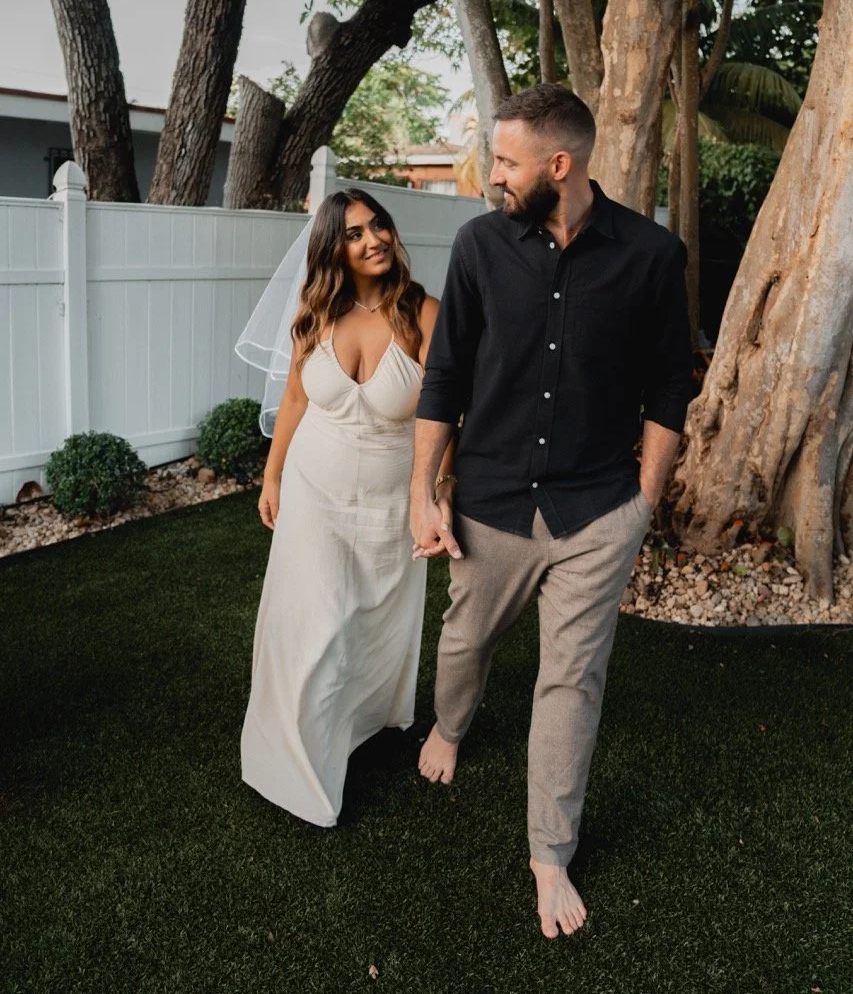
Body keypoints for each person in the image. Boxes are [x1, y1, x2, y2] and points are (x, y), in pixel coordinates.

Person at [410, 83, 695, 938]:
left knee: (571, 680)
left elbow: (669, 386)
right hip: (491, 503)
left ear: (558, 164)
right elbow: (444, 376)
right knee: (465, 642)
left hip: (597, 511)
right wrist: (423, 493)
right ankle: (451, 724)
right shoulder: (478, 246)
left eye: (505, 161)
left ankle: (549, 853)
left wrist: (643, 501)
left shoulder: (652, 255)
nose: (493, 175)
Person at [237, 189, 454, 827]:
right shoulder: (314, 316)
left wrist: (440, 490)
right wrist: (272, 475)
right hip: (315, 491)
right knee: (320, 620)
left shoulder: (423, 313)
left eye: (377, 225)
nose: (373, 239)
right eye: (355, 233)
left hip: (391, 500)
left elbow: (451, 412)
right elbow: (295, 401)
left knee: (375, 618)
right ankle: (300, 763)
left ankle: (360, 722)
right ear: (335, 249)